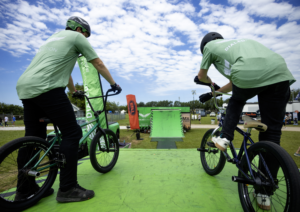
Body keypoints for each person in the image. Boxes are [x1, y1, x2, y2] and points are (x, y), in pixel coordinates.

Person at [15, 16, 122, 203]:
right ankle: (67, 188)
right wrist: (114, 84)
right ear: (79, 30)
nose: (85, 39)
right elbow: (98, 63)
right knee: (72, 132)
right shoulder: (76, 37)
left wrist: (73, 91)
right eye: (86, 35)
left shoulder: (52, 39)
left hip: (25, 88)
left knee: (33, 137)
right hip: (47, 88)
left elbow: (66, 72)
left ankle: (25, 188)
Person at [196, 32, 295, 210]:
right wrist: (214, 93)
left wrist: (208, 84)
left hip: (249, 76)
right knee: (272, 135)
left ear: (205, 45)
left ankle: (225, 137)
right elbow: (240, 81)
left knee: (236, 100)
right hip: (280, 73)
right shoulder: (242, 44)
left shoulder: (210, 47)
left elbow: (202, 76)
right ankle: (264, 192)